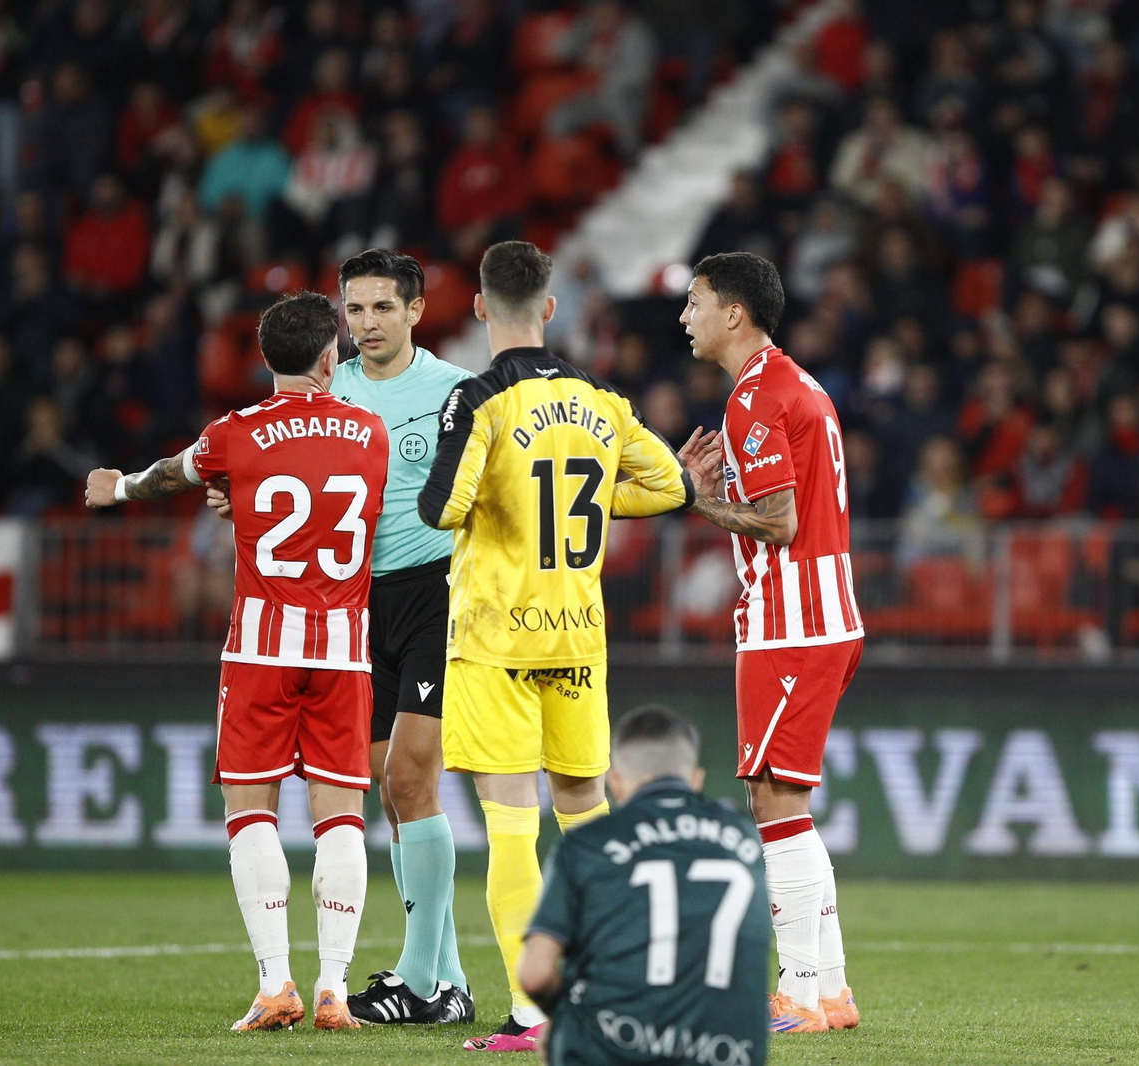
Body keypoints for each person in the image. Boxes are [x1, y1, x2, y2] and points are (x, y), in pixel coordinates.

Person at [84, 292, 389, 1032]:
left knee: (250, 812)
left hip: (259, 648)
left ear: (264, 360)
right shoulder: (371, 432)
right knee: (341, 816)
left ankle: (275, 985)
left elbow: (173, 473)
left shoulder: (236, 435)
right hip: (344, 652)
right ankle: (334, 992)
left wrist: (117, 486)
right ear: (331, 357)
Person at [418, 241, 694, 1052]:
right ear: (548, 307)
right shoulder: (599, 396)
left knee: (511, 830)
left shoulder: (479, 398)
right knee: (586, 815)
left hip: (497, 637)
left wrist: (498, 487)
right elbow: (671, 483)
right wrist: (586, 493)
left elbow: (442, 507)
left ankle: (534, 1013)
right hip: (577, 634)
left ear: (478, 307)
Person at [210, 250, 477, 1024]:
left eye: (381, 308)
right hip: (353, 610)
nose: (366, 325)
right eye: (354, 311)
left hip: (433, 591)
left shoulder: (454, 391)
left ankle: (425, 981)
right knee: (382, 792)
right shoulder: (330, 389)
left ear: (416, 310)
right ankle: (448, 974)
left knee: (412, 780)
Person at [675, 252, 865, 1034]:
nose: (684, 318)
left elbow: (780, 524)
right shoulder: (798, 384)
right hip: (821, 614)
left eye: (694, 302)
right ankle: (832, 990)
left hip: (792, 619)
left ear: (734, 314)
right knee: (786, 803)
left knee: (772, 802)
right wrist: (720, 497)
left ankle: (797, 992)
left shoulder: (756, 398)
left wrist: (700, 502)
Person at [519, 705, 771, 1066]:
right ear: (695, 780)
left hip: (613, 1048)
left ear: (616, 782)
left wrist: (562, 1019)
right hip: (729, 1053)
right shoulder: (745, 840)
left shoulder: (588, 843)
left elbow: (536, 974)